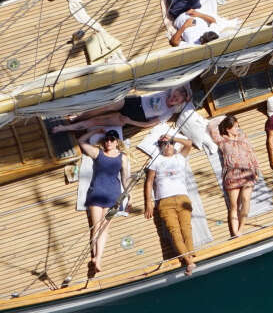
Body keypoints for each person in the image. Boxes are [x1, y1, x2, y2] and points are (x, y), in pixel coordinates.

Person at [78, 129, 130, 273]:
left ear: (117, 142)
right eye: (107, 139)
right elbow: (81, 142)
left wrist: (128, 196)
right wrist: (96, 130)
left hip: (113, 196)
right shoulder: (98, 153)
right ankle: (96, 257)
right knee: (96, 226)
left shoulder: (123, 157)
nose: (108, 142)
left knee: (105, 227)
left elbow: (125, 179)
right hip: (97, 193)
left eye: (112, 140)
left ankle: (98, 258)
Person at [144, 135, 196, 276]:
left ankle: (189, 259)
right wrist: (149, 202)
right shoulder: (156, 161)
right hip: (165, 201)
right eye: (164, 144)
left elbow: (189, 144)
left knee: (186, 228)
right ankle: (189, 260)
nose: (167, 146)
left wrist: (174, 138)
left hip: (182, 197)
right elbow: (149, 182)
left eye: (170, 144)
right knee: (174, 231)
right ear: (160, 147)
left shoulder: (180, 157)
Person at [52, 87, 190, 133]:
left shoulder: (169, 112)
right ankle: (76, 118)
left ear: (179, 103)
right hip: (135, 101)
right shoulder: (166, 91)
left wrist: (130, 121)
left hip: (137, 115)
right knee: (106, 106)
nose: (174, 98)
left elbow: (149, 124)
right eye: (175, 95)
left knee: (98, 121)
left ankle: (65, 128)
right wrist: (185, 94)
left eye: (177, 100)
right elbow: (177, 82)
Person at [208, 115, 260, 237]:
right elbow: (211, 126)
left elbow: (251, 153)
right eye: (235, 126)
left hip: (248, 173)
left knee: (246, 199)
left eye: (238, 126)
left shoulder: (243, 137)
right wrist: (224, 118)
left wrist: (256, 169)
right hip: (232, 175)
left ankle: (241, 229)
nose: (238, 128)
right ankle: (235, 233)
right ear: (228, 128)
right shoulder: (222, 140)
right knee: (234, 205)